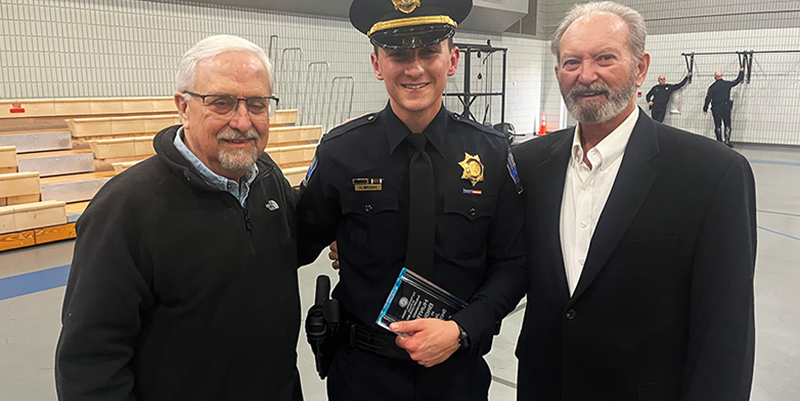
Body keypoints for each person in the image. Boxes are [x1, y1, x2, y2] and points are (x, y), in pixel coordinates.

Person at [512, 2, 756, 400]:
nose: (586, 75)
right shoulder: (529, 164)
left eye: (605, 58)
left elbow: (726, 329)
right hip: (545, 385)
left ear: (640, 67)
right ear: (558, 72)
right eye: (572, 62)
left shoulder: (713, 174)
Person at [296, 0, 527, 399]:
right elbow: (294, 242)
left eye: (428, 52)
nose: (414, 68)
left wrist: (464, 328)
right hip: (363, 376)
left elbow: (514, 263)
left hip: (457, 374)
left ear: (452, 59)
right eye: (398, 54)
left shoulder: (490, 152)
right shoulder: (341, 152)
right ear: (376, 64)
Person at [55, 35, 303, 401]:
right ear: (182, 107)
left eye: (257, 103)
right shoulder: (127, 207)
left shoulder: (267, 177)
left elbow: (304, 240)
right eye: (221, 103)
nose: (242, 120)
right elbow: (91, 359)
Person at [703, 68, 745, 147]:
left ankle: (719, 141)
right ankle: (727, 141)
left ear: (715, 77)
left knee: (718, 125)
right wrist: (741, 72)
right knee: (727, 124)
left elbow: (708, 98)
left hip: (716, 108)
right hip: (725, 107)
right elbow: (737, 81)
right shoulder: (727, 84)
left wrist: (705, 108)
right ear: (722, 76)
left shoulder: (712, 87)